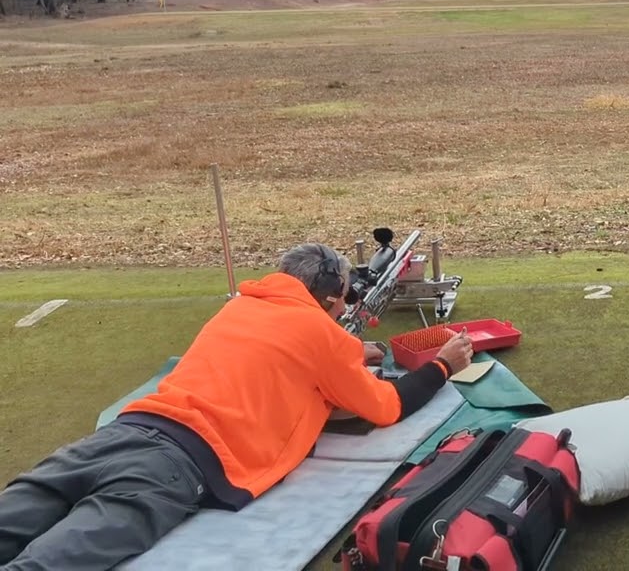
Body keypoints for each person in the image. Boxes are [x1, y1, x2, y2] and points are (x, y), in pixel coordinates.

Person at [0, 242, 474, 571]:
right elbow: (387, 406)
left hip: (119, 434)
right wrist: (443, 366)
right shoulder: (322, 335)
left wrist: (347, 351)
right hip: (175, 467)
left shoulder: (239, 307)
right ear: (331, 301)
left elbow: (281, 351)